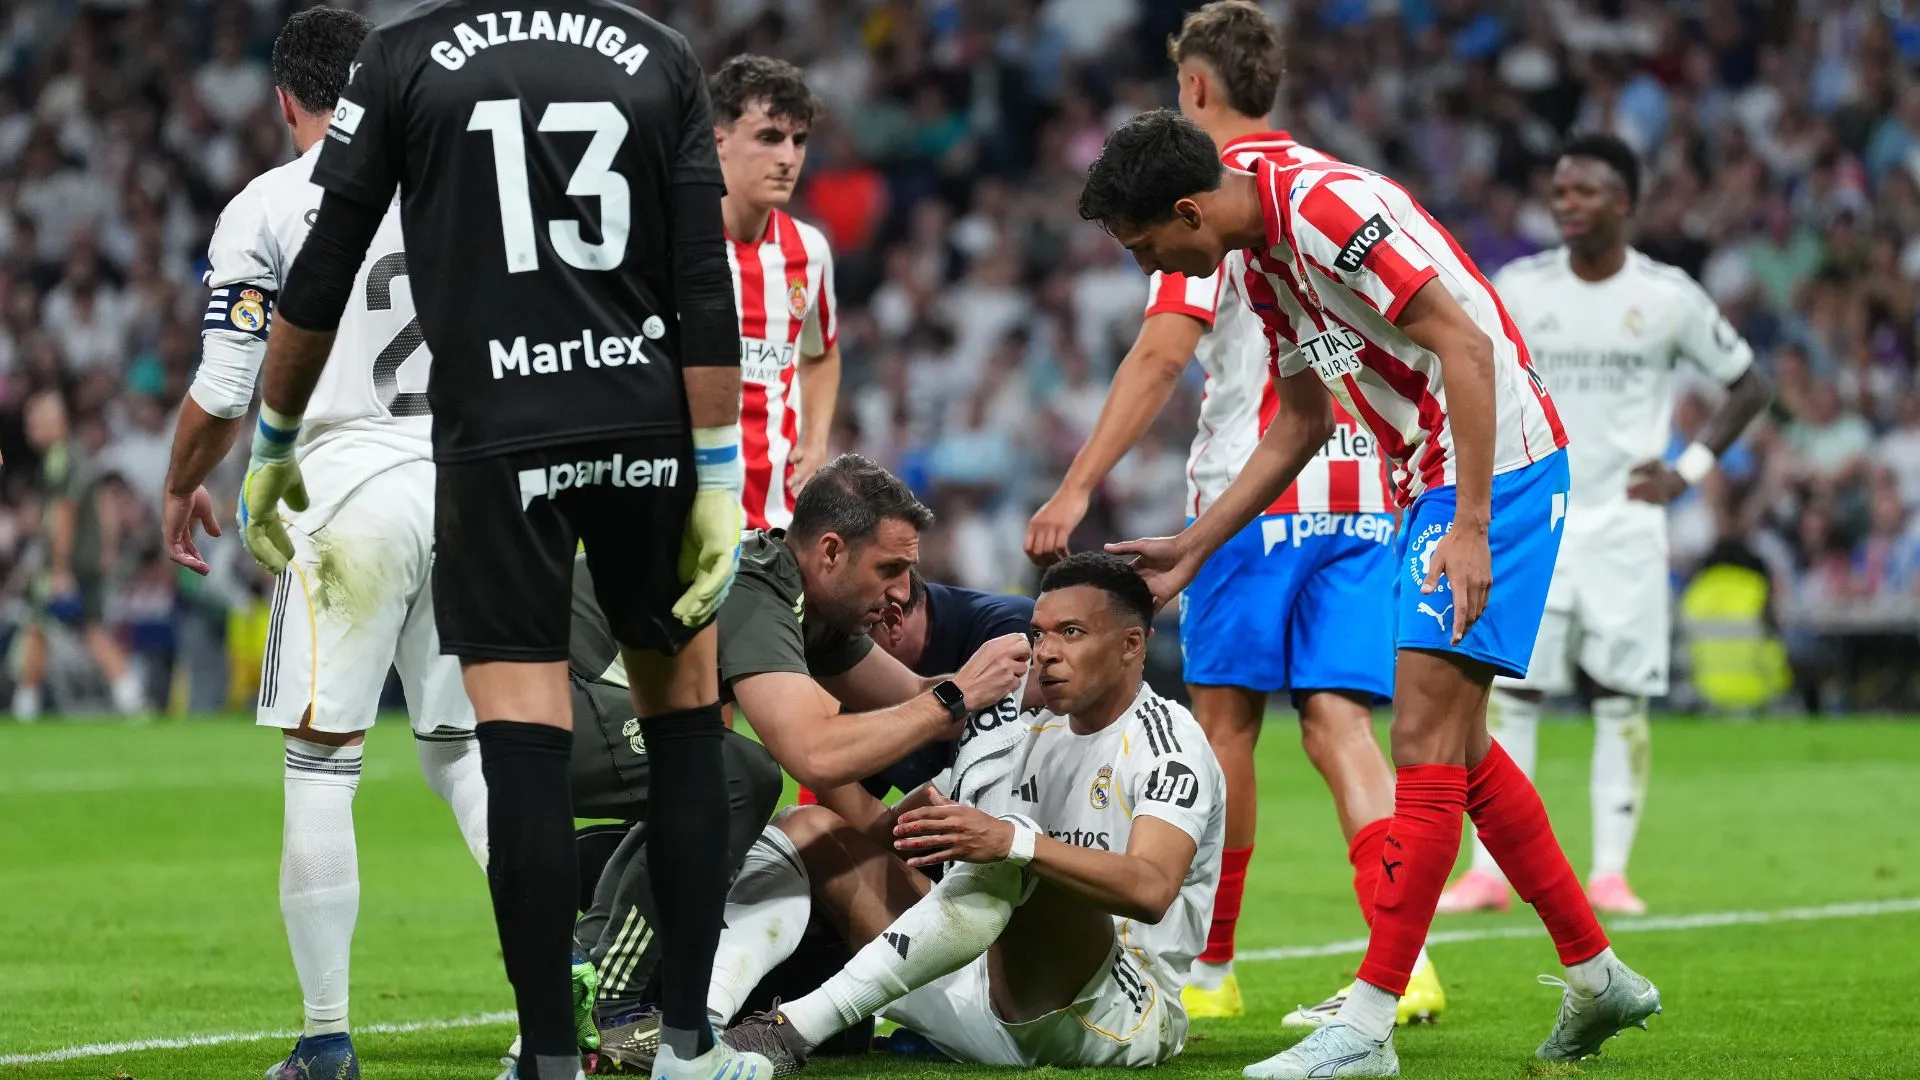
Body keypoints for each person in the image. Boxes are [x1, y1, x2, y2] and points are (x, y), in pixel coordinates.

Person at [1079, 110, 1659, 1077]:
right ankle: (1599, 979)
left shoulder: (1322, 214)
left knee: (1422, 743)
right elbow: (1301, 423)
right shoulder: (1256, 256)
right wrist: (1192, 545)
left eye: (1149, 247)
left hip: (1492, 469)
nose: (1153, 270)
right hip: (1428, 479)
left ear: (1187, 209)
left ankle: (1370, 1026)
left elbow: (1468, 350)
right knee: (1463, 755)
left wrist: (1471, 525)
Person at [241, 6, 756, 1079]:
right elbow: (704, 279)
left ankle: (552, 1061)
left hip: (495, 436)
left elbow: (327, 260)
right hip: (645, 423)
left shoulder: (403, 57)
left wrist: (276, 437)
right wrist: (716, 474)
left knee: (517, 744)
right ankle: (692, 1046)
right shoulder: (657, 52)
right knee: (686, 723)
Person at [1024, 0, 1441, 1026]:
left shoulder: (1202, 204)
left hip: (1251, 498)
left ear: (1195, 89)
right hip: (1359, 489)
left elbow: (1165, 351)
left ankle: (1210, 970)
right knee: (1343, 725)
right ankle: (1406, 963)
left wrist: (1077, 484)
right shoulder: (1320, 186)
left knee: (1225, 728)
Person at [156, 12, 494, 1078]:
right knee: (474, 760)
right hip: (472, 486)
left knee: (321, 768)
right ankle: (558, 1002)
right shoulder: (468, 187)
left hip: (342, 486)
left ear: (285, 103)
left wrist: (179, 484)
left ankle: (326, 1038)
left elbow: (224, 388)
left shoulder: (268, 202)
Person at [576, 453, 1032, 1060]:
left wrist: (1021, 680)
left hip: (579, 711)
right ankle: (614, 1000)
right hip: (543, 701)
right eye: (890, 568)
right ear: (831, 551)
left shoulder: (820, 613)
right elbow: (811, 754)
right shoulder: (754, 585)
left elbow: (916, 699)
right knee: (729, 774)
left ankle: (579, 975)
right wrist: (956, 695)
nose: (904, 592)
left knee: (701, 781)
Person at [714, 553, 1224, 1072]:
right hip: (980, 988)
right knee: (808, 831)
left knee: (1018, 843)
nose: (1046, 653)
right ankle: (701, 1023)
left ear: (1131, 644)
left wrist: (1008, 842)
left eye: (1070, 632)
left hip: (1109, 1013)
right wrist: (809, 746)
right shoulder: (1024, 730)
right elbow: (890, 833)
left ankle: (789, 1032)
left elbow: (1151, 888)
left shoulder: (1168, 743)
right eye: (1039, 634)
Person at [1438, 134, 1768, 918]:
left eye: (1583, 191)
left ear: (1623, 203)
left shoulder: (1666, 296)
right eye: (1559, 191)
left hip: (1623, 525)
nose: (1566, 203)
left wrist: (1686, 472)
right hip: (1535, 517)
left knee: (1621, 698)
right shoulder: (1516, 287)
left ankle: (1611, 872)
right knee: (1512, 695)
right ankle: (1487, 873)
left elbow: (1749, 384)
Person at [712, 55, 840, 529]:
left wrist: (817, 438)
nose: (788, 158)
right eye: (769, 138)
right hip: (673, 516)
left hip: (773, 523)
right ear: (717, 140)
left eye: (799, 140)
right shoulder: (670, 245)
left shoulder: (809, 250)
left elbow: (821, 353)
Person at [12, 390, 145, 720]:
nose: (30, 427)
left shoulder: (61, 458)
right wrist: (107, 549)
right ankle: (25, 703)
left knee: (89, 630)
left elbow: (64, 513)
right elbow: (103, 507)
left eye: (36, 420)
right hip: (81, 561)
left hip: (69, 566)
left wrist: (59, 569)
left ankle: (130, 695)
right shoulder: (76, 456)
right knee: (38, 627)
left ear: (55, 423)